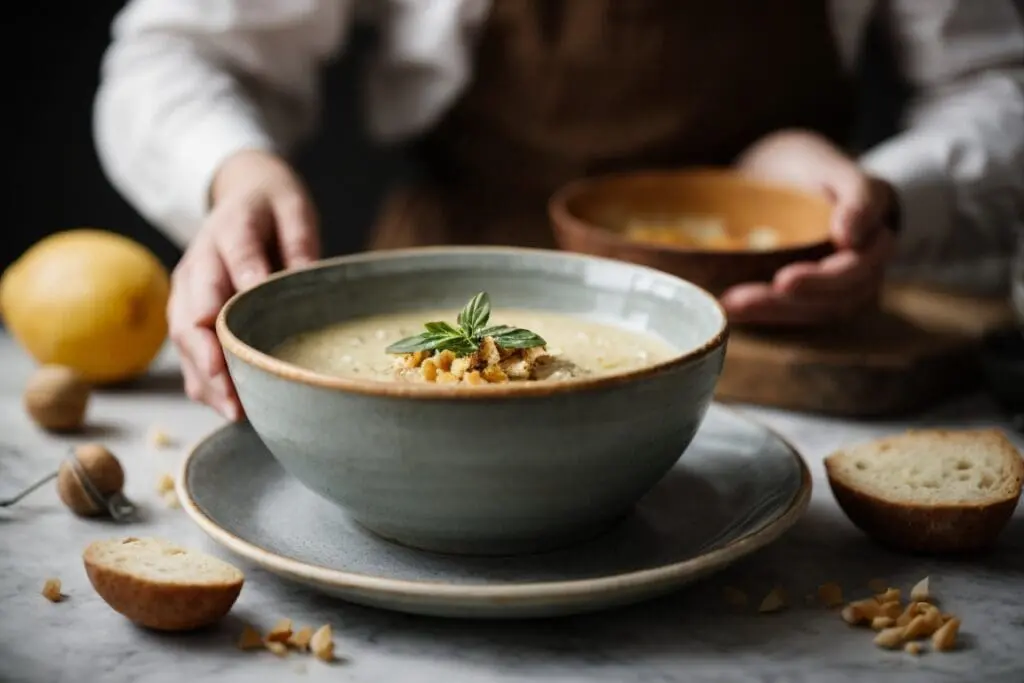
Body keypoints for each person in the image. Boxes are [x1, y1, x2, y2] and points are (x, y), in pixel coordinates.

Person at [94, 0, 1024, 420]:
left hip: (786, 325)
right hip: (433, 312)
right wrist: (233, 169)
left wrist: (891, 193)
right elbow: (172, 50)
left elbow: (996, 80)